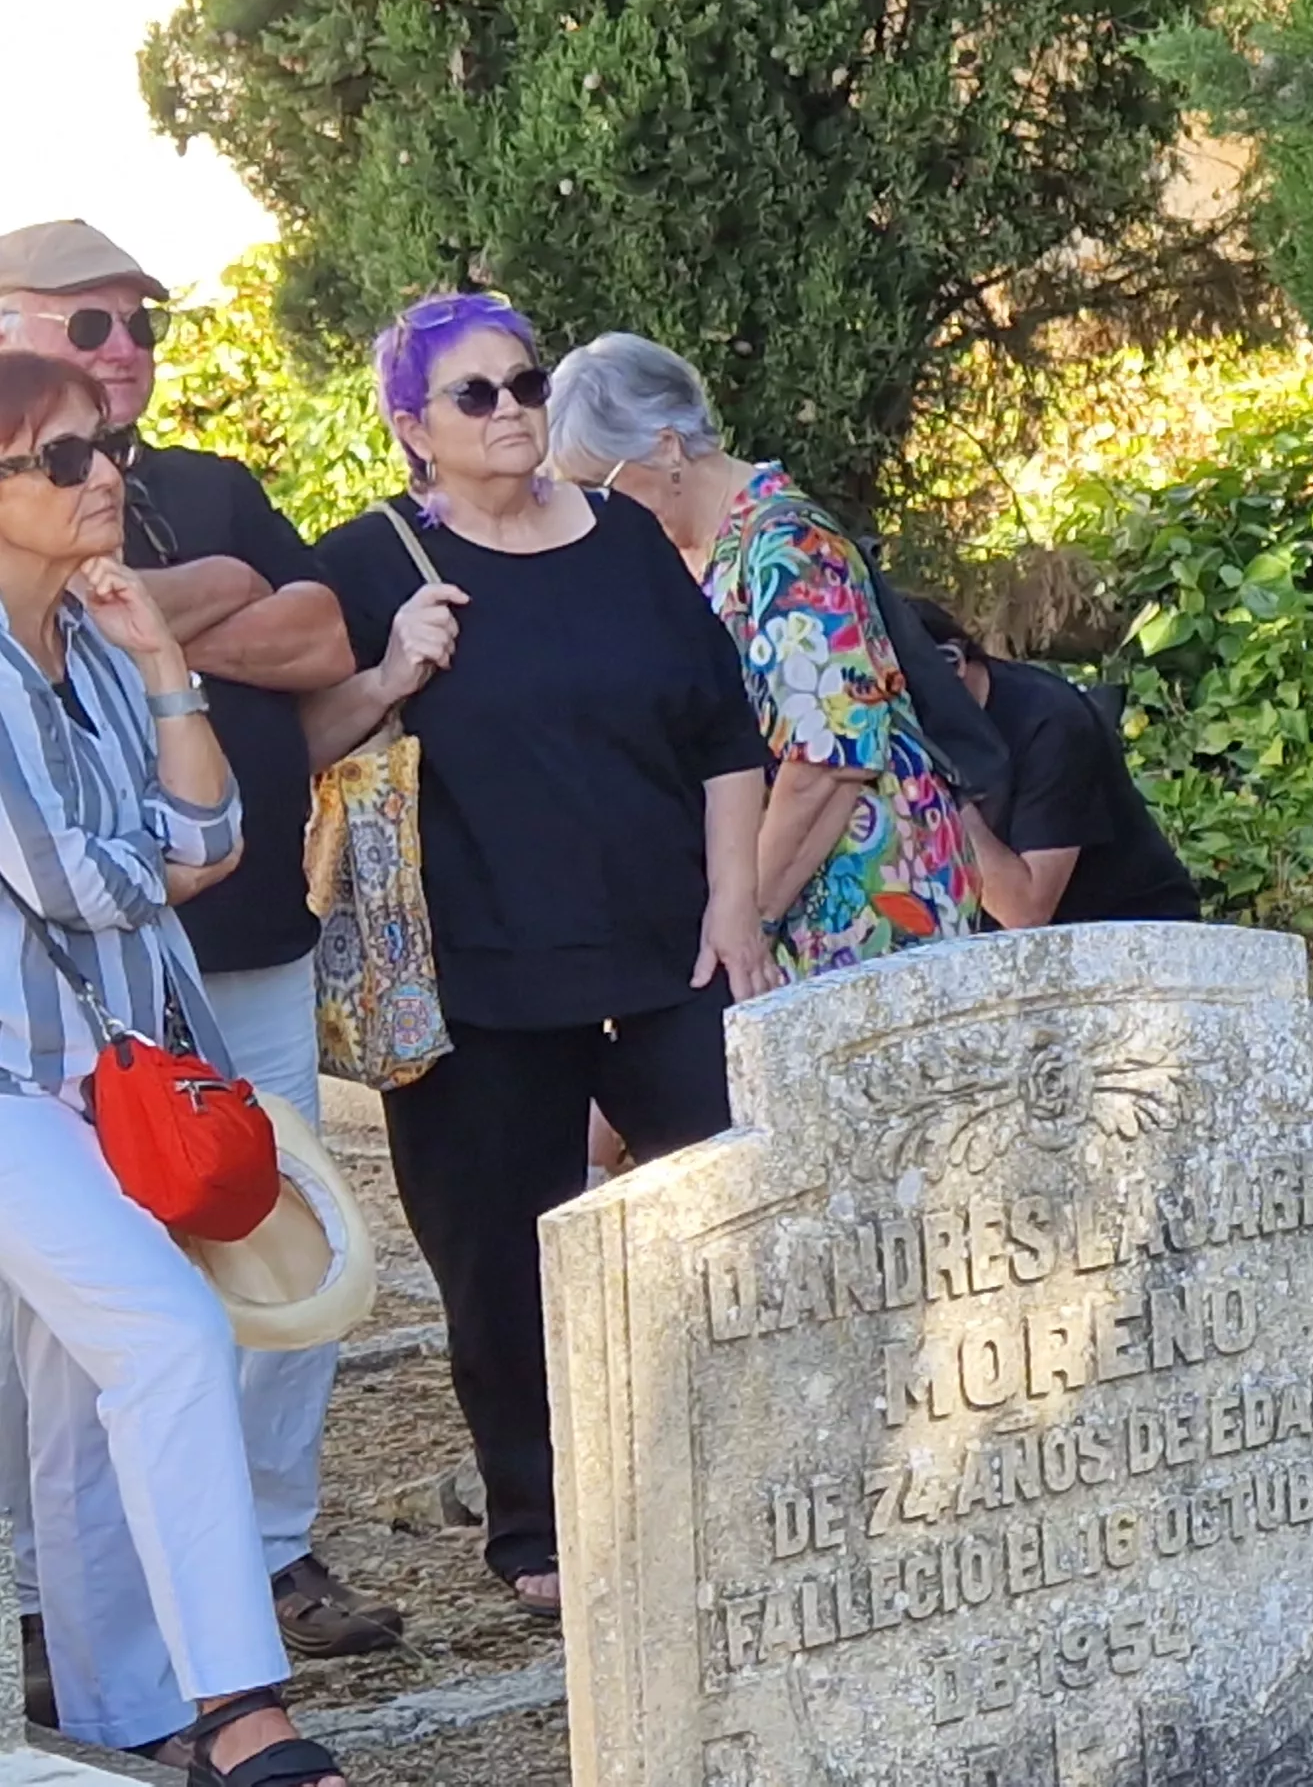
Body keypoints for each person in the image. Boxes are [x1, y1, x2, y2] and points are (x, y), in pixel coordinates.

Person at [303, 295, 771, 1621]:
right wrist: (391, 672)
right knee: (497, 1264)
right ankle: (540, 1526)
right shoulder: (366, 565)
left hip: (666, 956)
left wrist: (734, 909)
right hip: (475, 980)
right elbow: (295, 745)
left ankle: (738, 1477)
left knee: (730, 1225)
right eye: (476, 397)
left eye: (525, 384)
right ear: (412, 430)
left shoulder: (622, 536)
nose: (511, 411)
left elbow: (725, 739)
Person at [0, 218, 402, 1670]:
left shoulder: (200, 484)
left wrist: (174, 622)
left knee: (272, 1243)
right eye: (84, 327)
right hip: (54, 1028)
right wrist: (194, 600)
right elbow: (84, 870)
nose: (122, 358)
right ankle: (104, 1627)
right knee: (95, 1332)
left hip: (226, 963)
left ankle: (266, 1553)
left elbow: (316, 639)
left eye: (138, 326)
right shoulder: (66, 518)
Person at [544, 332, 980, 978]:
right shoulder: (689, 558)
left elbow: (829, 761)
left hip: (864, 898)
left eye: (597, 486)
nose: (587, 510)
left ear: (666, 447)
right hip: (786, 894)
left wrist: (747, 918)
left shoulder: (787, 546)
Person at [904, 600, 1199, 927]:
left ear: (952, 663)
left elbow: (1024, 913)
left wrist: (940, 795)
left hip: (1131, 937)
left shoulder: (1051, 723)